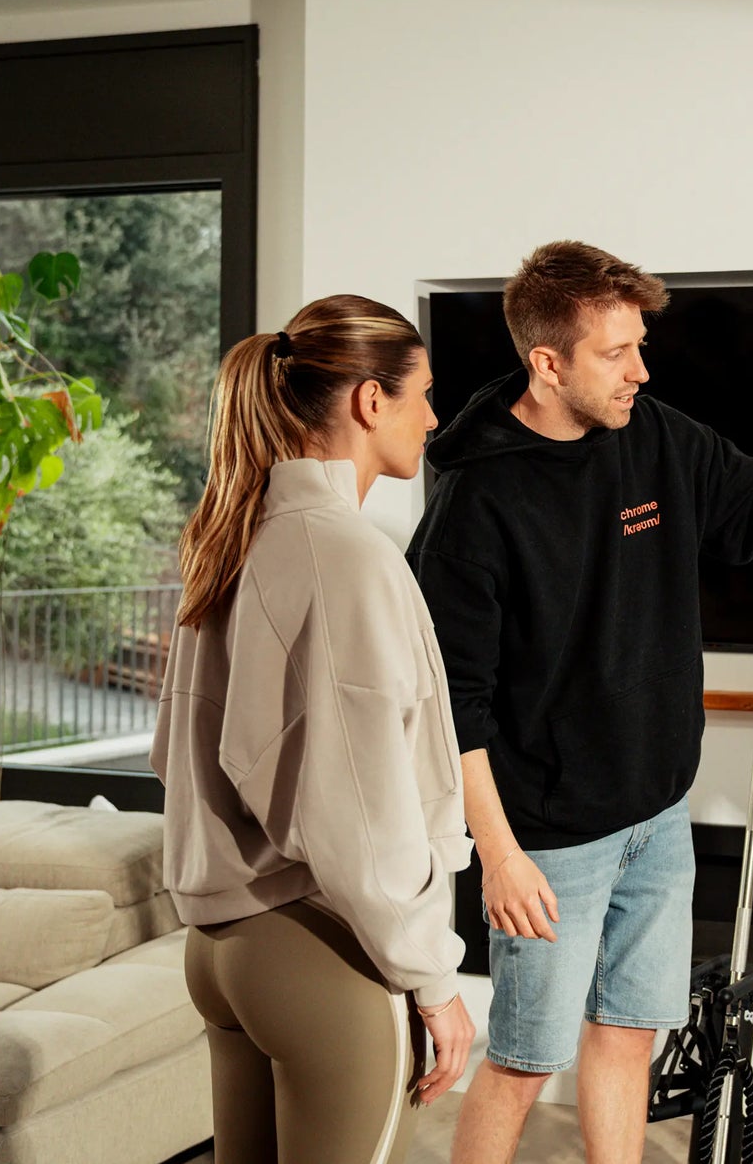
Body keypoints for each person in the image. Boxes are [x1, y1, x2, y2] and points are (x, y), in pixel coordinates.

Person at [409, 241, 753, 1163]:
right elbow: (453, 706)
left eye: (641, 345)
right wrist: (498, 855)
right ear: (548, 362)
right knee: (526, 1060)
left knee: (630, 1032)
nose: (641, 369)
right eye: (617, 352)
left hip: (658, 813)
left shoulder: (650, 434)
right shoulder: (474, 504)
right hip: (549, 839)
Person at [153, 294, 476, 1164]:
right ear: (371, 402)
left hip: (221, 952)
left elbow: (171, 755)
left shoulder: (231, 533)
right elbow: (360, 809)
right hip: (317, 952)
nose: (435, 417)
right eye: (424, 395)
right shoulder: (345, 553)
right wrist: (433, 978)